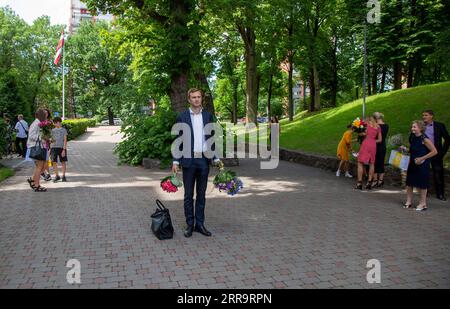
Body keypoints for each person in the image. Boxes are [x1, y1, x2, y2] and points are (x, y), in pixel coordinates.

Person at [172, 88, 221, 238]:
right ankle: (189, 225)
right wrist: (175, 160)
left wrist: (216, 157)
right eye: (193, 97)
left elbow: (211, 139)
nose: (196, 99)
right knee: (188, 195)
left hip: (203, 161)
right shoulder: (182, 116)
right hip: (188, 160)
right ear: (189, 99)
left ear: (201, 99)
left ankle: (200, 224)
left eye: (199, 97)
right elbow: (177, 140)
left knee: (201, 195)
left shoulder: (207, 116)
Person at [404, 121, 438, 211]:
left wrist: (422, 158)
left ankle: (423, 203)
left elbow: (434, 151)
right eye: (412, 127)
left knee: (422, 184)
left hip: (422, 164)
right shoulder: (412, 137)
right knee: (409, 183)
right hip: (412, 162)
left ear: (421, 128)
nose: (412, 128)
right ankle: (409, 201)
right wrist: (405, 149)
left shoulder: (425, 139)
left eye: (414, 127)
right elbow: (413, 149)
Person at [422, 110, 450, 201]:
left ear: (431, 116)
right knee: (423, 173)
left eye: (426, 115)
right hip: (423, 152)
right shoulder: (420, 126)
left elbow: (447, 139)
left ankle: (440, 194)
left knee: (438, 173)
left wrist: (442, 152)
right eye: (423, 115)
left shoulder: (439, 126)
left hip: (436, 153)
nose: (424, 117)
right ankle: (423, 193)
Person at [355, 115, 382, 190]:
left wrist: (360, 133)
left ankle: (359, 183)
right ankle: (369, 183)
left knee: (360, 162)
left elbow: (362, 134)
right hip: (373, 145)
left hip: (366, 144)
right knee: (372, 163)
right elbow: (380, 140)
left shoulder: (366, 125)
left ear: (368, 119)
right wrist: (373, 141)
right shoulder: (378, 127)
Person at [26, 109, 49, 192]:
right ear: (41, 115)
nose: (46, 115)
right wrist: (42, 138)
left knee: (41, 167)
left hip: (40, 147)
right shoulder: (36, 123)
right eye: (44, 114)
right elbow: (31, 135)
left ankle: (33, 181)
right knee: (40, 167)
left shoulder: (39, 123)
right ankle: (36, 185)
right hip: (36, 147)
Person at [373, 112, 389, 188]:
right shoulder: (375, 125)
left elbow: (380, 135)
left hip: (381, 145)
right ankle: (376, 180)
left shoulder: (385, 126)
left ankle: (380, 180)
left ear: (376, 118)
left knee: (380, 162)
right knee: (374, 162)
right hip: (375, 145)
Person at [50, 117, 68, 182]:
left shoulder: (64, 130)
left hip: (61, 148)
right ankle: (57, 175)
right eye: (55, 123)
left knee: (63, 161)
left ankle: (63, 176)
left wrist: (64, 149)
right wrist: (50, 149)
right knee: (54, 162)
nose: (57, 124)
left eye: (58, 122)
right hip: (54, 148)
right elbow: (51, 140)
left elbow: (65, 140)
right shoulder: (52, 130)